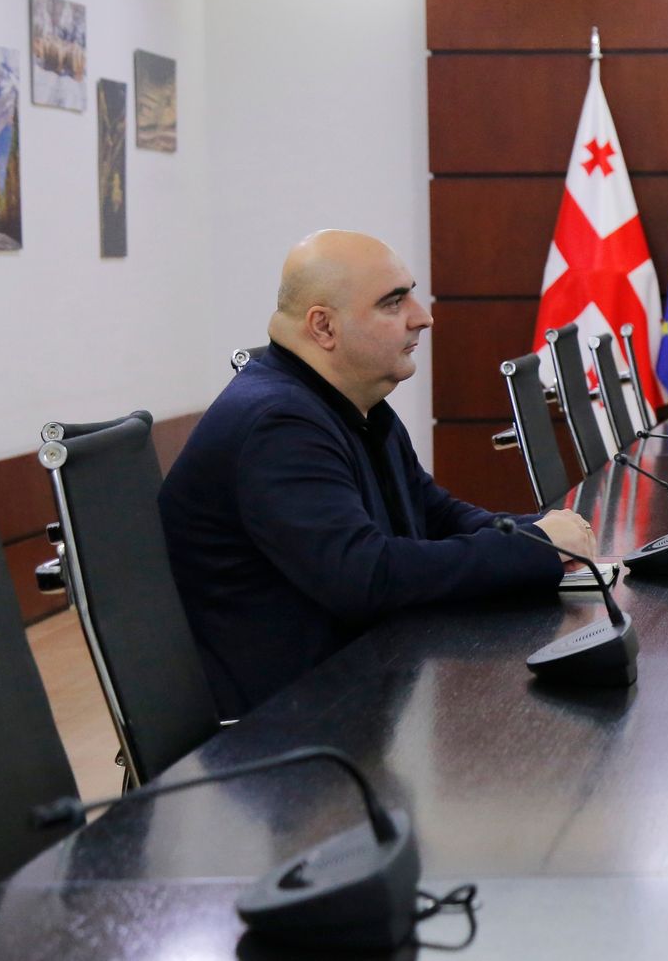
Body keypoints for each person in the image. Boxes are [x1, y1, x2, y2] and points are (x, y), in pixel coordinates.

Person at [160, 230, 596, 717]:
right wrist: (534, 549)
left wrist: (542, 534)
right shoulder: (278, 426)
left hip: (351, 691)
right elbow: (365, 576)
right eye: (393, 303)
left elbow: (433, 514)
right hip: (283, 730)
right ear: (324, 327)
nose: (422, 317)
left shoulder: (349, 403)